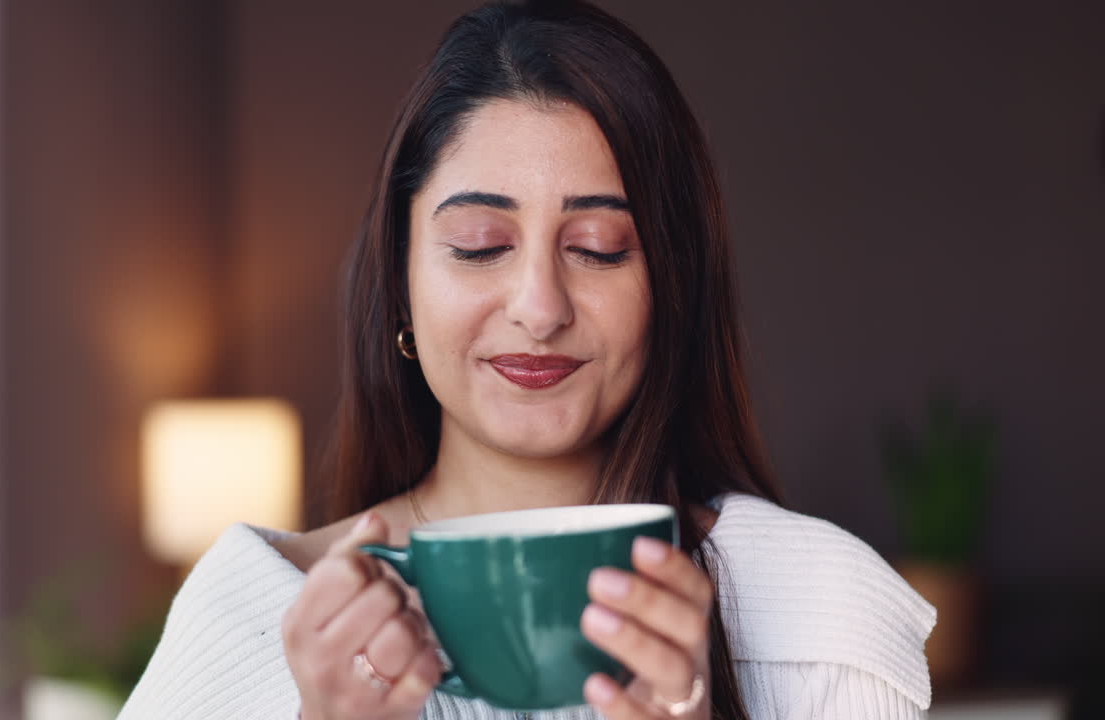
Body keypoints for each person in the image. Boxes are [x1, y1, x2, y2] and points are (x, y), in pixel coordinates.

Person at [118, 2, 935, 718]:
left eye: (599, 248)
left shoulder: (819, 616)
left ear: (672, 289)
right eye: (480, 247)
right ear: (401, 282)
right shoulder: (258, 615)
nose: (539, 307)